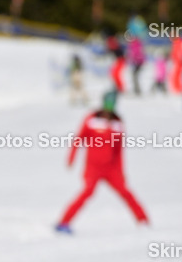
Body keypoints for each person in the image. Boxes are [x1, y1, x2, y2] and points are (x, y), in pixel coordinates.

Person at [56, 91, 149, 233]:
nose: (109, 107)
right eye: (107, 103)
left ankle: (143, 221)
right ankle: (64, 223)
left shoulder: (117, 123)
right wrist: (71, 158)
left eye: (112, 104)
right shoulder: (92, 119)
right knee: (87, 193)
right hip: (93, 167)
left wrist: (120, 171)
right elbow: (79, 139)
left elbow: (119, 151)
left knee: (126, 192)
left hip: (111, 168)